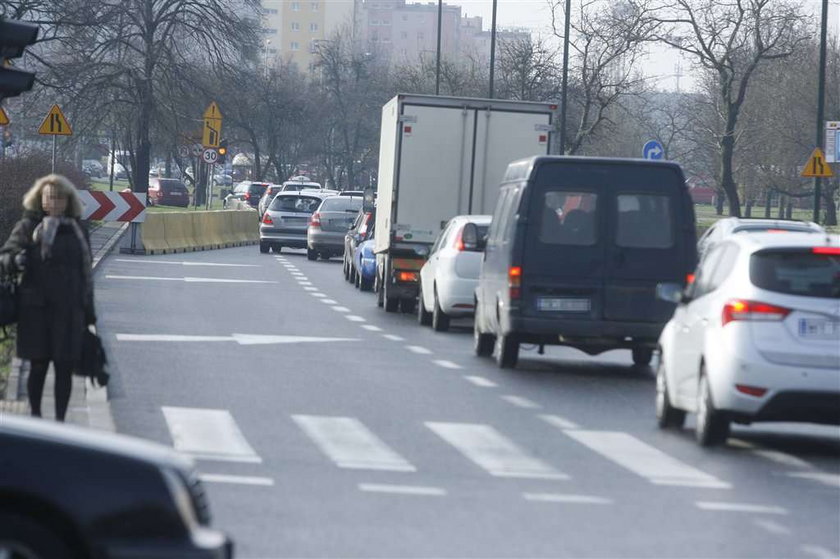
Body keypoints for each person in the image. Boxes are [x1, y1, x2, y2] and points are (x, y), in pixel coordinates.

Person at [0, 174, 95, 421]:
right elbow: (5, 256)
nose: (54, 203)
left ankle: (60, 421)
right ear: (40, 200)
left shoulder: (77, 230)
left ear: (68, 201)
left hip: (69, 310)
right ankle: (35, 416)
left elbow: (86, 274)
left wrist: (88, 312)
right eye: (49, 198)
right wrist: (15, 260)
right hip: (35, 309)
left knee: (64, 368)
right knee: (38, 365)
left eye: (59, 198)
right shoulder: (27, 227)